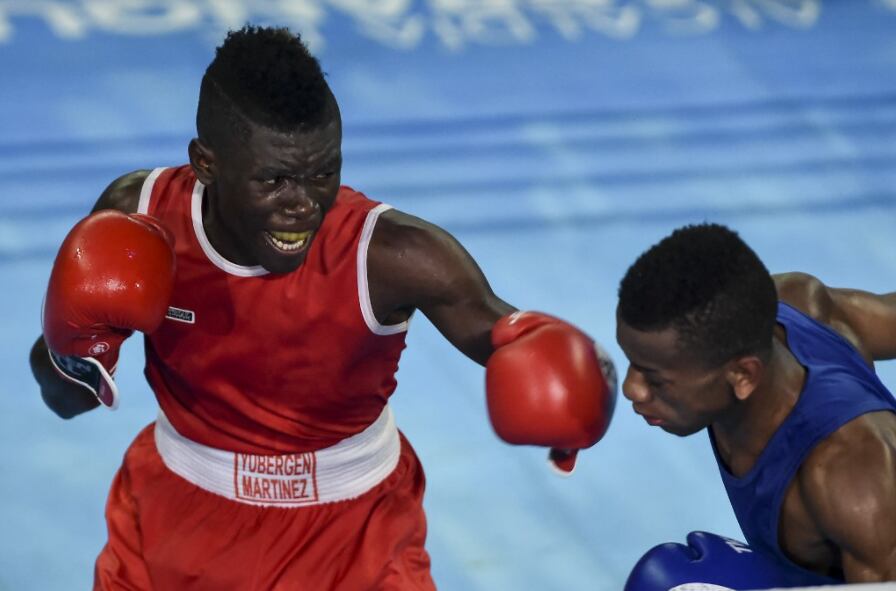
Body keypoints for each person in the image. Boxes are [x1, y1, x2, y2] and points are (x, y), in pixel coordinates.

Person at [29, 25, 616, 591]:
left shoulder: (391, 256)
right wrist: (74, 347)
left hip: (353, 537)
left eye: (323, 173)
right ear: (207, 163)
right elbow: (65, 399)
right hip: (173, 520)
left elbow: (517, 343)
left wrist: (575, 389)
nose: (303, 204)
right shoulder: (142, 217)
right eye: (275, 180)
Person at [615, 223, 896, 589]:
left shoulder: (852, 481)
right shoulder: (780, 310)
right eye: (631, 361)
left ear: (743, 375)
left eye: (655, 380)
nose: (631, 389)